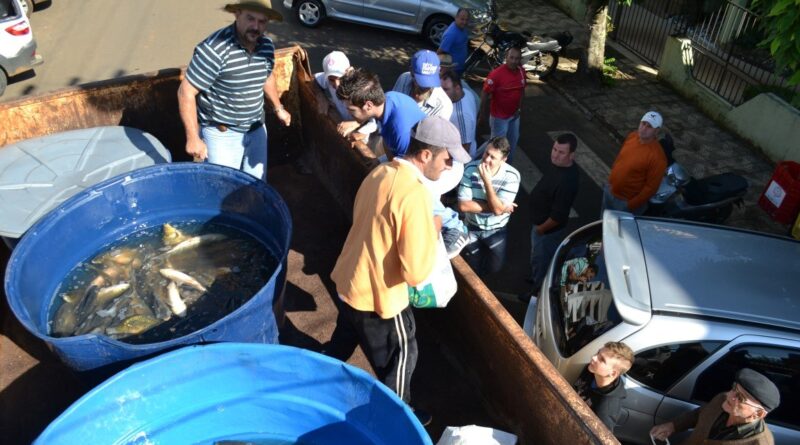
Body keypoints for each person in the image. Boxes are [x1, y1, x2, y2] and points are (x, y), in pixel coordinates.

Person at [325, 115, 468, 426]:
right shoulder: (415, 194)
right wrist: (433, 231)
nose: (448, 167)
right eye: (447, 159)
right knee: (402, 355)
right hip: (380, 298)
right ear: (426, 154)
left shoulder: (382, 172)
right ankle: (394, 421)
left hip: (349, 279)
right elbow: (416, 272)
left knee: (342, 341)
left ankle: (317, 384)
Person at [177, 0, 290, 182]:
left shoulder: (266, 46)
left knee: (256, 185)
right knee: (223, 189)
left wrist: (279, 108)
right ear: (237, 14)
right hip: (222, 135)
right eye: (250, 18)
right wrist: (192, 138)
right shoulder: (214, 49)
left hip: (257, 129)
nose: (256, 26)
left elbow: (267, 77)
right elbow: (186, 92)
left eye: (262, 22)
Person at [650, 368, 781, 445]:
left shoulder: (761, 442)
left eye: (740, 398)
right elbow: (700, 414)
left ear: (758, 414)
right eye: (734, 388)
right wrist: (673, 425)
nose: (731, 396)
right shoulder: (721, 400)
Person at [525, 133, 580, 301]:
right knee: (537, 259)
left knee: (543, 261)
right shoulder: (560, 166)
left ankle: (536, 295)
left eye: (561, 152)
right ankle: (535, 278)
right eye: (554, 149)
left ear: (572, 155)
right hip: (541, 225)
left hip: (547, 231)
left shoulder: (567, 182)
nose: (555, 155)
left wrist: (541, 230)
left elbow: (558, 215)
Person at [458, 136, 521, 277]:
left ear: (503, 160)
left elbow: (496, 210)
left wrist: (487, 181)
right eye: (486, 153)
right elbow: (463, 205)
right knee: (472, 269)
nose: (486, 159)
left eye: (493, 157)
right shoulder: (470, 169)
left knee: (495, 267)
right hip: (472, 227)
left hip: (496, 230)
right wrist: (499, 207)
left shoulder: (512, 176)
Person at [336, 68, 426, 159]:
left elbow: (403, 166)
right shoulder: (388, 99)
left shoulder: (399, 129)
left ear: (368, 105)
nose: (348, 113)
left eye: (351, 110)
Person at [602, 111, 668, 215]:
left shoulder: (658, 158)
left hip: (625, 203)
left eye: (649, 126)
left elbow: (651, 188)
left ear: (656, 131)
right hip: (610, 191)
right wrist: (610, 181)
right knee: (601, 223)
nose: (644, 128)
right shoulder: (632, 136)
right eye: (643, 123)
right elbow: (621, 158)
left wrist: (631, 205)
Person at [572, 342, 634, 433]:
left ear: (612, 373)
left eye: (602, 360)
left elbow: (598, 437)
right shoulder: (590, 370)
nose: (594, 358)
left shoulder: (606, 409)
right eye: (598, 353)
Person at [313, 51, 376, 140]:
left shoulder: (361, 89)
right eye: (332, 80)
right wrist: (321, 97)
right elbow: (314, 79)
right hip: (340, 123)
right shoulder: (328, 78)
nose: (337, 85)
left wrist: (355, 123)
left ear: (350, 71)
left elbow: (374, 119)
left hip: (360, 134)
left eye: (340, 78)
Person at [479, 46, 525, 161]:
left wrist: (519, 109)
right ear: (506, 58)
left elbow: (522, 90)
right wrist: (482, 114)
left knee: (512, 142)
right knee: (496, 145)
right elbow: (485, 93)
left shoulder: (522, 72)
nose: (514, 61)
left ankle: (507, 165)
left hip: (514, 116)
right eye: (512, 58)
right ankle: (473, 158)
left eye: (517, 58)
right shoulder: (496, 74)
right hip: (499, 118)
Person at [392, 49, 453, 119]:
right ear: (412, 72)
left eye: (430, 81)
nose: (426, 87)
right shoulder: (404, 78)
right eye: (422, 81)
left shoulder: (444, 106)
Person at [440, 69, 479, 158]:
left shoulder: (461, 116)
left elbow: (465, 148)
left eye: (446, 89)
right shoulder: (467, 93)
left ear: (457, 88)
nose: (441, 93)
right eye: (440, 88)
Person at [437, 8, 471, 74]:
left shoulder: (462, 28)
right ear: (456, 18)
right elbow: (440, 52)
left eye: (466, 20)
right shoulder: (451, 34)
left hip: (459, 67)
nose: (464, 22)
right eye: (462, 19)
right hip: (452, 70)